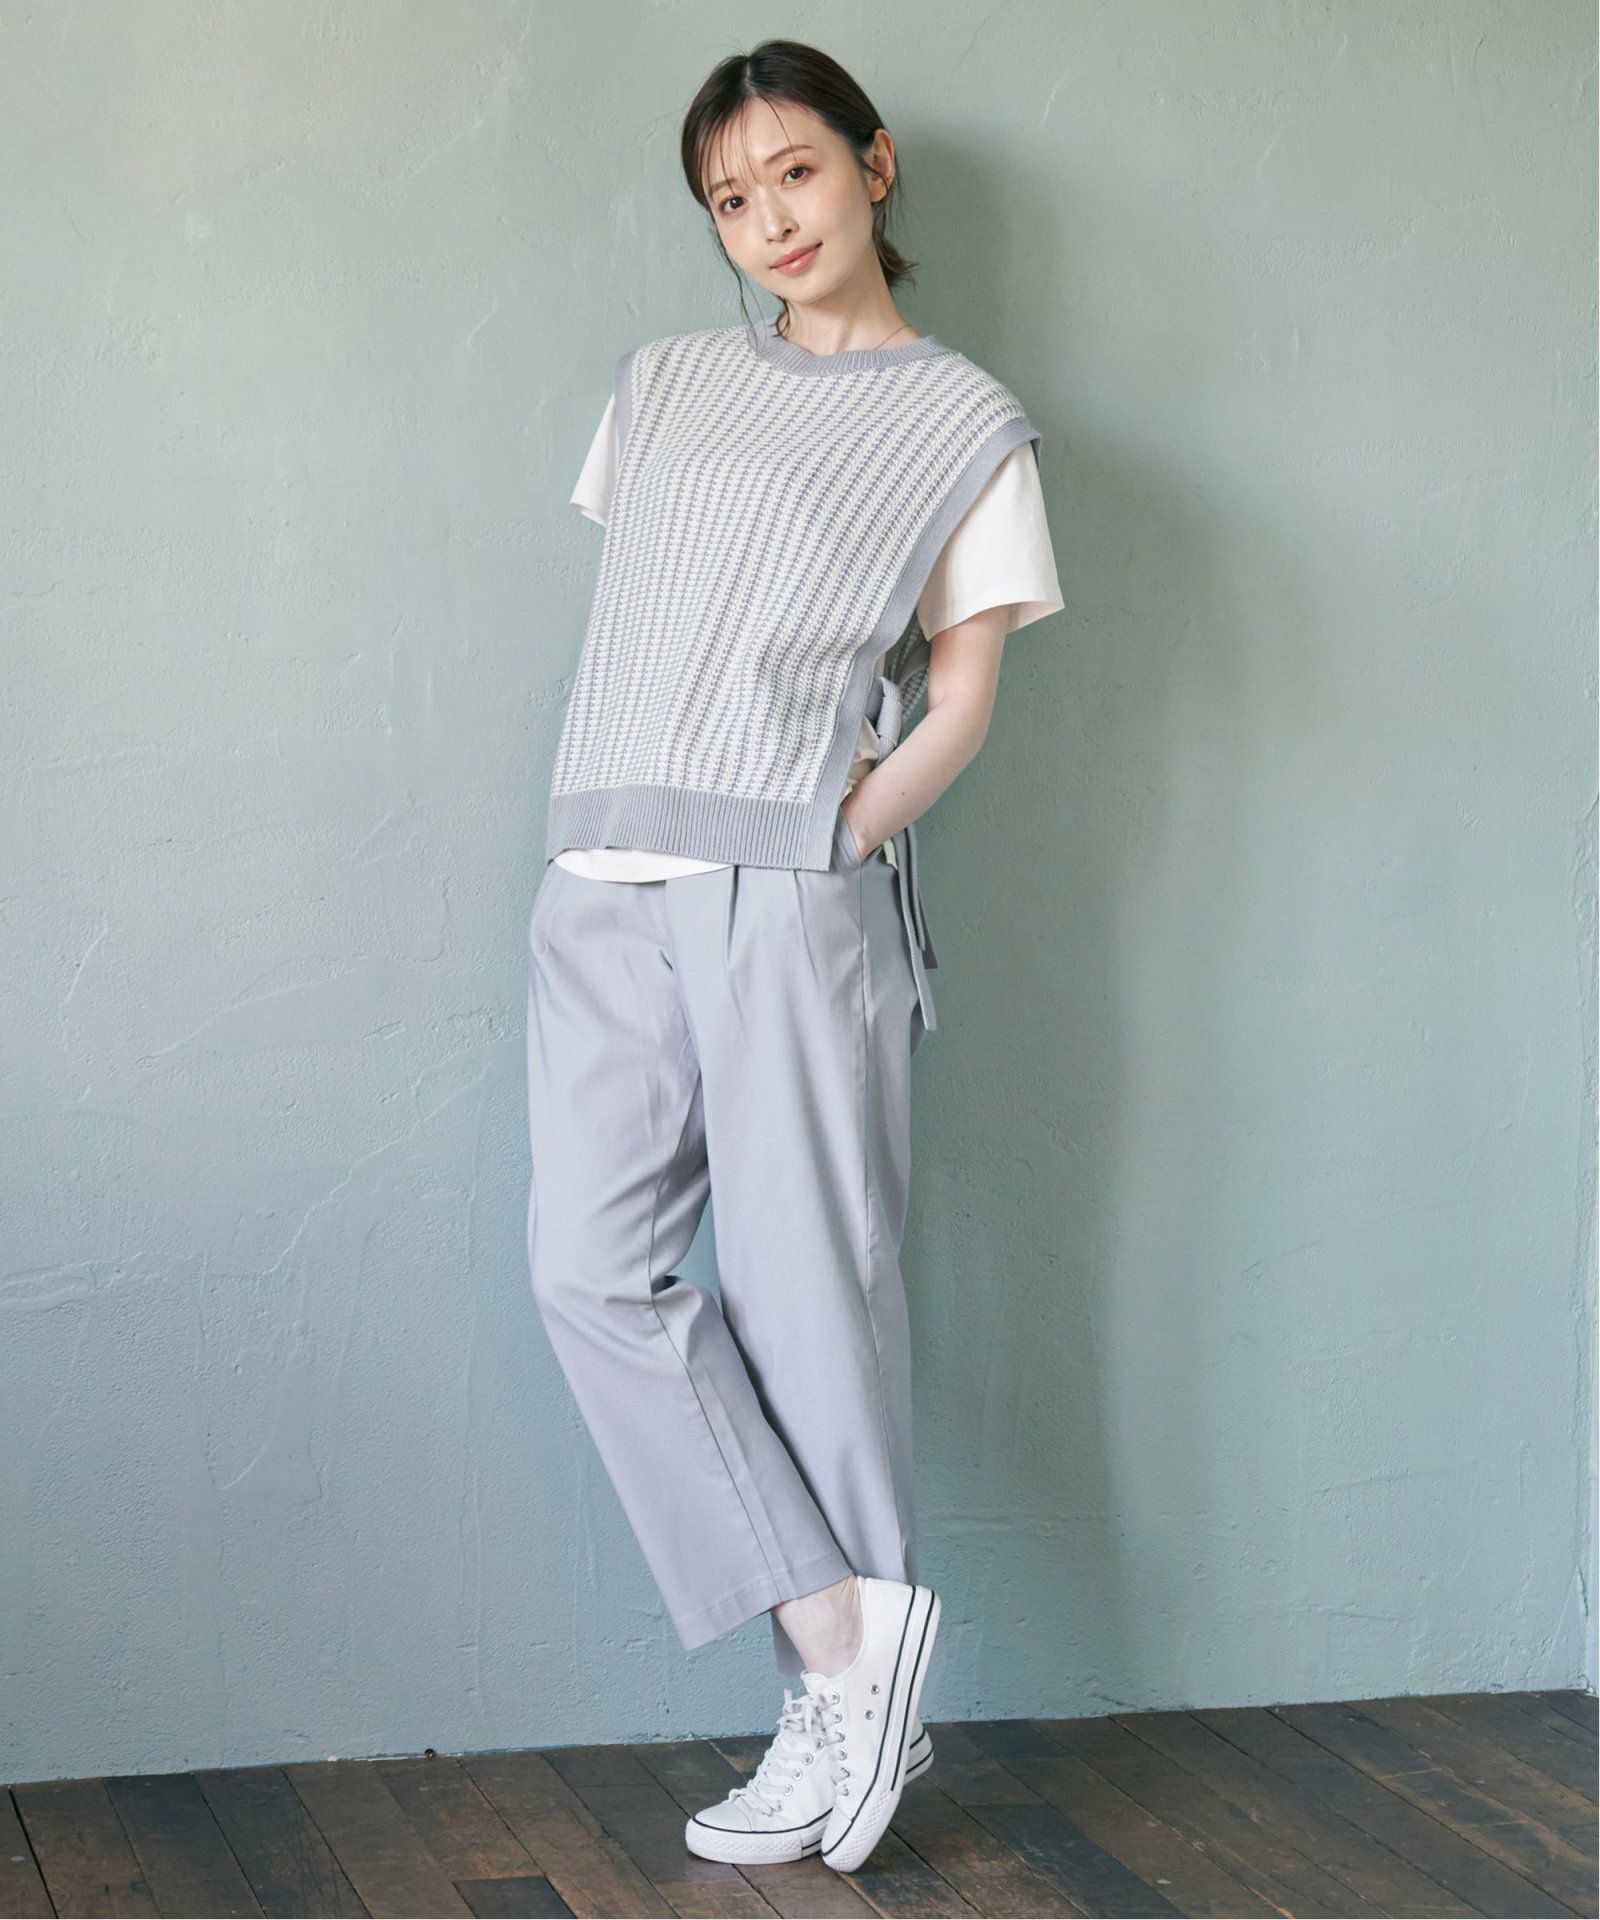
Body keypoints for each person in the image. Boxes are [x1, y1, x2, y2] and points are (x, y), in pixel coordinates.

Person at [524, 37, 1062, 1875]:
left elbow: (963, 696)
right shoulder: (663, 384)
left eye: (797, 175)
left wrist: (834, 834)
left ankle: (826, 1713)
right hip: (600, 869)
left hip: (789, 891)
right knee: (589, 1272)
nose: (769, 220)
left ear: (875, 166)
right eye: (731, 199)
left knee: (807, 1301)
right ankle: (849, 1645)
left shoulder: (965, 421)